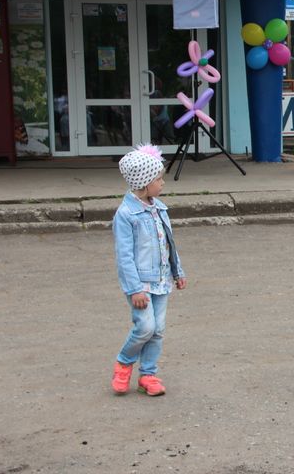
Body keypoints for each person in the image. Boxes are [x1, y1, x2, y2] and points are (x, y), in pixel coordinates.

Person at [111, 144, 186, 397]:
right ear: (144, 183)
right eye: (158, 179)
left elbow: (169, 242)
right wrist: (134, 289)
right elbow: (125, 257)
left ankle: (149, 374)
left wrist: (178, 271)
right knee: (144, 328)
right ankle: (124, 363)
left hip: (162, 280)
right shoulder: (126, 214)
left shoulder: (159, 208)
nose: (162, 183)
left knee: (158, 329)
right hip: (141, 285)